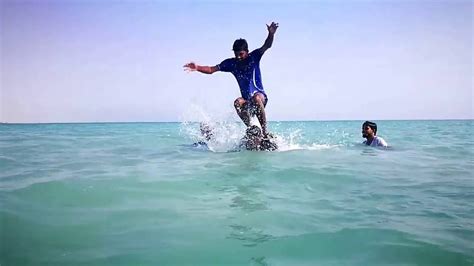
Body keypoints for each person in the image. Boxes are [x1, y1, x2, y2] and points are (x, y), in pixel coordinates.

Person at [183, 22, 279, 138]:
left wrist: (271, 34)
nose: (238, 57)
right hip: (247, 101)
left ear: (247, 52)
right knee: (238, 102)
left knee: (256, 97)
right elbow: (211, 69)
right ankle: (251, 128)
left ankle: (264, 133)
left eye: (241, 54)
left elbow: (266, 45)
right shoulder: (232, 64)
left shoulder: (254, 57)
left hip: (260, 98)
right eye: (236, 54)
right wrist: (197, 67)